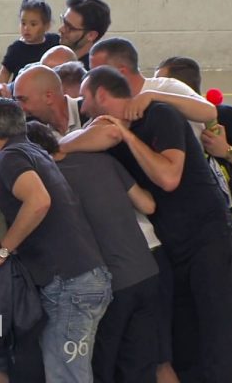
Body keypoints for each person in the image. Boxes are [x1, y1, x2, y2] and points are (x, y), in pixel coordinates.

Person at [65, 66, 232, 382]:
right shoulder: (110, 133)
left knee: (221, 348)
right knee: (187, 350)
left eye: (85, 99)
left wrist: (126, 136)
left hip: (210, 241)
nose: (82, 109)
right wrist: (59, 148)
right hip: (175, 252)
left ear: (102, 95)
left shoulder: (159, 115)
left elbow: (168, 177)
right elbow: (74, 142)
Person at [157, 56, 232, 383]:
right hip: (211, 244)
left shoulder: (230, 118)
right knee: (223, 333)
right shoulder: (169, 128)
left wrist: (227, 151)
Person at [0, 98, 110, 382]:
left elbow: (38, 202)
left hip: (70, 283)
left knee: (66, 376)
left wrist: (2, 250)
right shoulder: (35, 151)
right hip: (82, 277)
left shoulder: (10, 156)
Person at [28, 121, 160, 383]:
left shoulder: (49, 183)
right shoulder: (102, 161)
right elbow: (148, 204)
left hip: (110, 287)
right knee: (141, 369)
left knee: (101, 369)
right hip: (148, 274)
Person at [13, 65, 89, 137]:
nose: (21, 107)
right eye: (17, 101)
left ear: (48, 97)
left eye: (23, 100)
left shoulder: (91, 111)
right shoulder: (32, 133)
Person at [0, 0, 60, 83]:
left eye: (33, 24)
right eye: (23, 23)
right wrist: (0, 90)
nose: (26, 28)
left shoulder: (54, 42)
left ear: (46, 26)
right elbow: (5, 72)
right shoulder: (16, 49)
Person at [58, 0, 111, 69]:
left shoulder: (92, 74)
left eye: (70, 27)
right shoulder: (53, 51)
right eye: (64, 21)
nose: (61, 29)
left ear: (91, 35)